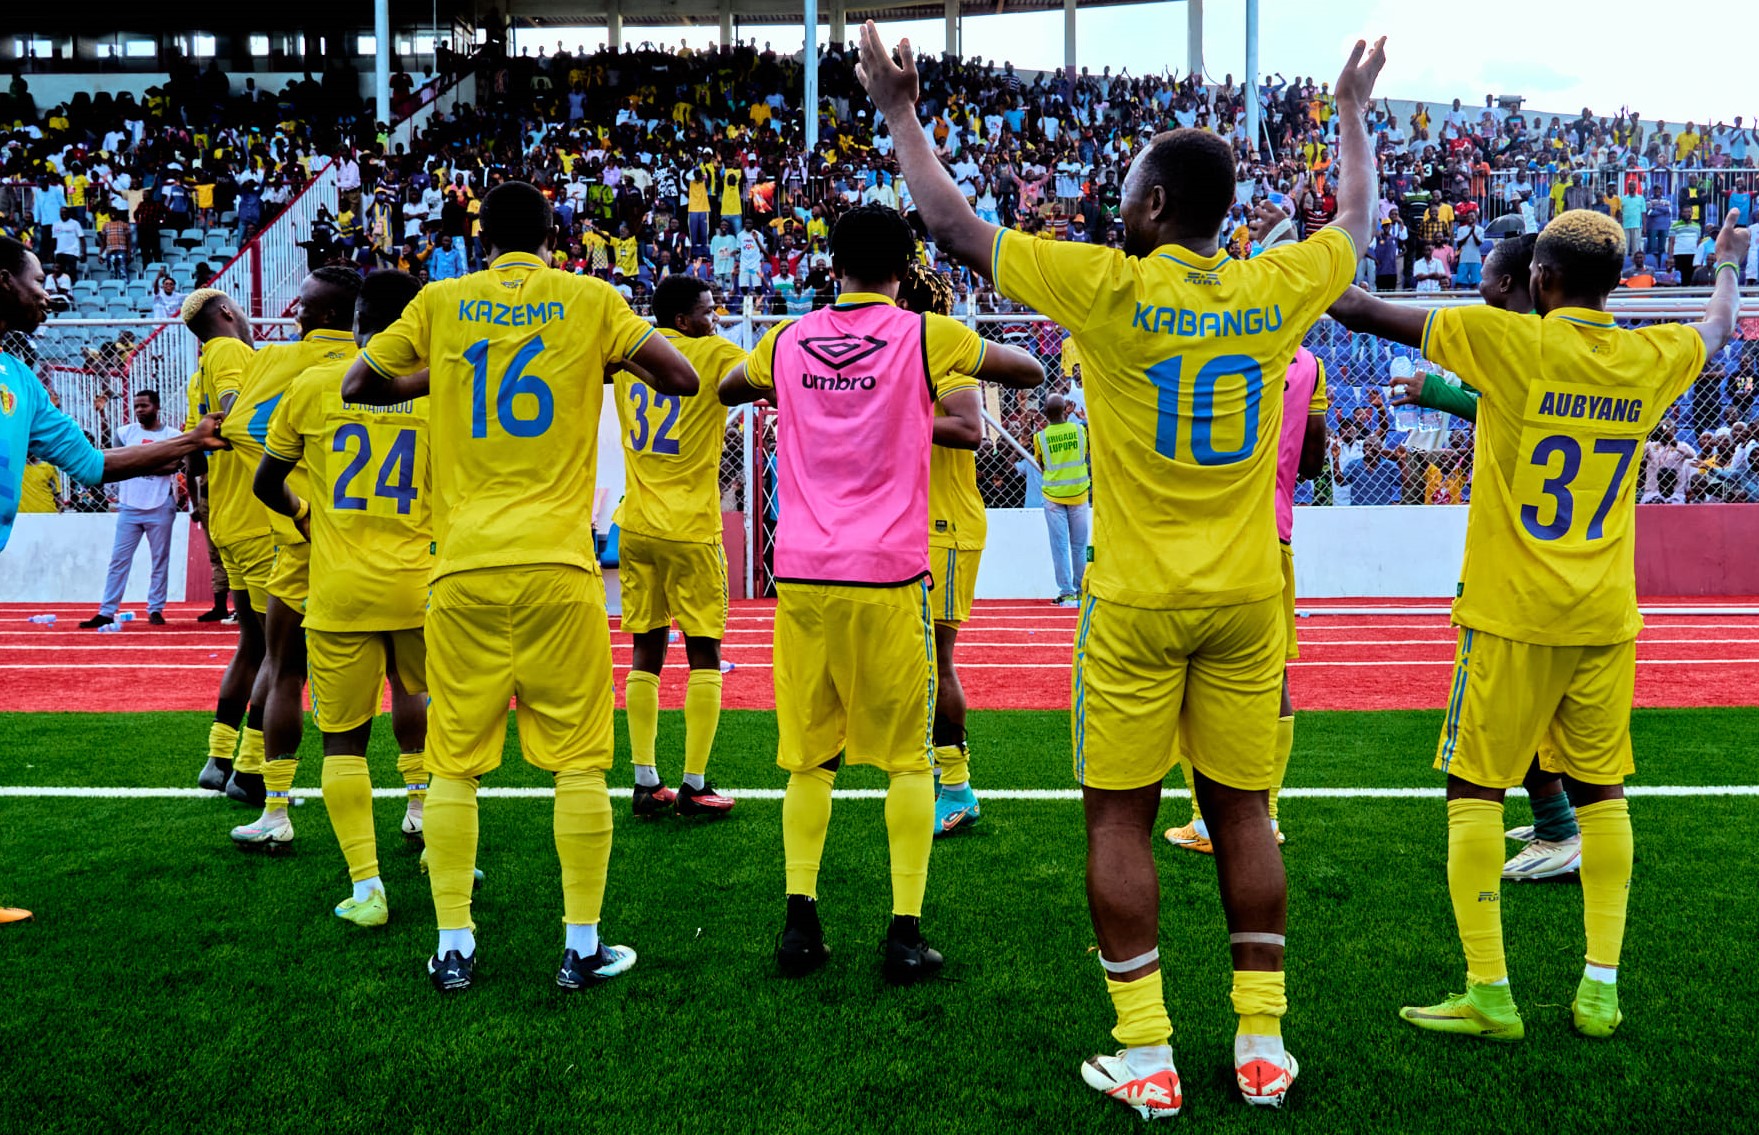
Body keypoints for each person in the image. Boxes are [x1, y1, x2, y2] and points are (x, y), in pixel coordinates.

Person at [856, 23, 1383, 1114]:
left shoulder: (1107, 286)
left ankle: (1146, 1054)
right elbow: (1354, 223)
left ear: (1153, 206)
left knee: (1116, 821)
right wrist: (1348, 112)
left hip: (1136, 599)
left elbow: (949, 225)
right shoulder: (1275, 285)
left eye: (1129, 190)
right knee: (1244, 814)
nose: (1118, 204)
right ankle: (1261, 1045)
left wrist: (900, 110)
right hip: (1247, 595)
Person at [1331, 206, 1747, 1043]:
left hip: (1510, 614)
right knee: (1602, 793)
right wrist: (1730, 259)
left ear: (1539, 280)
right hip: (1602, 615)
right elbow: (1716, 326)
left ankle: (1490, 992)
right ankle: (1599, 992)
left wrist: (1302, 247)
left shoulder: (1506, 340)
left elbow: (1356, 308)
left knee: (1472, 790)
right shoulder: (1651, 354)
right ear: (1614, 283)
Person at [341, 180, 699, 994]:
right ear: (552, 237)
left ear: (480, 238)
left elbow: (358, 385)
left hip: (461, 565)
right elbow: (678, 375)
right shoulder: (588, 296)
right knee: (579, 764)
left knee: (453, 765)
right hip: (559, 567)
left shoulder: (440, 300)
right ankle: (581, 946)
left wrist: (439, 383)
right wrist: (597, 361)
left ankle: (454, 947)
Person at [718, 203, 1044, 986]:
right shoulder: (927, 335)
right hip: (890, 573)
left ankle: (799, 925)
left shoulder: (784, 339)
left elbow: (731, 385)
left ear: (832, 266)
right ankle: (902, 934)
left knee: (809, 760)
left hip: (802, 575)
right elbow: (1028, 370)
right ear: (904, 269)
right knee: (906, 762)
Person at [0, 234, 226, 927]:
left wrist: (190, 442)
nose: (49, 294)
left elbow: (96, 465)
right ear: (4, 281)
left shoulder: (21, 380)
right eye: (39, 280)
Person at [1350, 234, 1587, 882]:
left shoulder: (1502, 338)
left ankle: (1558, 832)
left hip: (1513, 566)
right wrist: (1440, 395)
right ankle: (1561, 820)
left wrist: (1303, 264)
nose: (1475, 284)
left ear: (1513, 283)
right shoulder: (1570, 348)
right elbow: (1507, 406)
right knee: (1549, 710)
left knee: (1487, 731)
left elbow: (1367, 312)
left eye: (1484, 275)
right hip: (1575, 567)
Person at [255, 269, 434, 925]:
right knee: (440, 723)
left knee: (343, 743)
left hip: (340, 590)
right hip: (422, 585)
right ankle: (438, 844)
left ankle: (366, 888)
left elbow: (265, 482)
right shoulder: (442, 390)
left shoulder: (311, 386)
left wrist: (305, 512)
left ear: (358, 324)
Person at [1168, 211, 1330, 856]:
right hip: (1273, 534)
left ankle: (1206, 818)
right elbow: (1313, 461)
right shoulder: (1309, 363)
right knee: (1272, 676)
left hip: (1202, 530)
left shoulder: (1208, 344)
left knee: (1187, 672)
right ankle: (1266, 814)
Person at [223, 267, 367, 851]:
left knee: (285, 668)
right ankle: (417, 807)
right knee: (405, 681)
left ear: (327, 314)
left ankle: (272, 803)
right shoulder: (387, 366)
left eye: (303, 304)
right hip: (380, 546)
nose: (294, 310)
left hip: (301, 540)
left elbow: (238, 427)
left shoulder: (282, 364)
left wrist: (297, 485)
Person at [897, 261, 1040, 837]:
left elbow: (971, 430)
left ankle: (956, 788)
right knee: (906, 660)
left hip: (945, 527)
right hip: (905, 526)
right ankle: (929, 771)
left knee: (936, 660)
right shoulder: (892, 353)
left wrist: (893, 418)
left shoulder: (943, 351)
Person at [612, 274, 746, 819]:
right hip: (690, 528)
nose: (716, 319)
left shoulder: (630, 355)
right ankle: (694, 784)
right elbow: (762, 379)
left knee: (644, 650)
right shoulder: (714, 353)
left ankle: (645, 781)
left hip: (636, 524)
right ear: (684, 320)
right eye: (709, 311)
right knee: (704, 652)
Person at [182, 288, 271, 799]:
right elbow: (241, 415)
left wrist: (203, 505)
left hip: (229, 518)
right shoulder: (231, 351)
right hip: (260, 519)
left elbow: (195, 455)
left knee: (252, 644)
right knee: (285, 651)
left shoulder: (199, 373)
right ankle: (251, 771)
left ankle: (218, 759)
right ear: (225, 311)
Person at [78, 391, 178, 628]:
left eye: (144, 405)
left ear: (157, 407)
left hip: (160, 504)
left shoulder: (172, 436)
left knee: (160, 560)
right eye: (136, 406)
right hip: (130, 505)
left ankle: (155, 609)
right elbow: (116, 462)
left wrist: (136, 464)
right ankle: (107, 611)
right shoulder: (125, 433)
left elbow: (173, 466)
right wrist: (152, 464)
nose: (140, 410)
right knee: (119, 560)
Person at [1034, 394, 1090, 606]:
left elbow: (1041, 465)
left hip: (1053, 496)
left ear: (1045, 413)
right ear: (1065, 409)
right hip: (1079, 493)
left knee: (1059, 546)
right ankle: (1081, 590)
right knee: (1080, 545)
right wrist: (1082, 419)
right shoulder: (1079, 430)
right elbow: (1085, 453)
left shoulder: (1040, 437)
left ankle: (1066, 592)